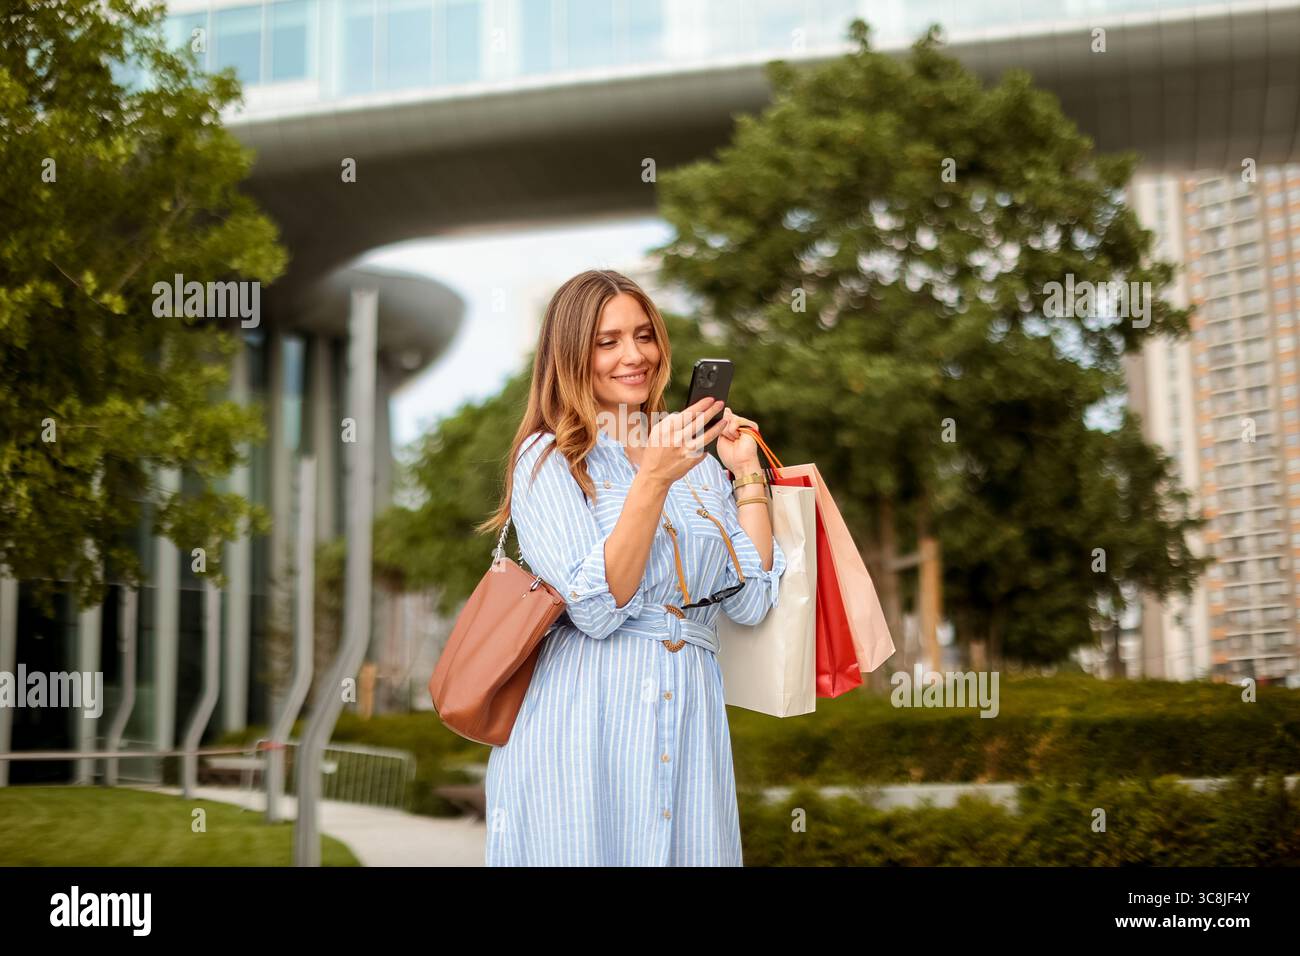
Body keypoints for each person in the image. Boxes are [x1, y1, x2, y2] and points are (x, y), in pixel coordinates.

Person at [476, 269, 786, 866]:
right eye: (607, 341)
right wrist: (651, 479)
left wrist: (745, 473)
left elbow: (749, 601)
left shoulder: (693, 461)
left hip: (691, 715)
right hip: (584, 719)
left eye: (644, 335)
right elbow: (594, 608)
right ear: (571, 355)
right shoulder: (551, 457)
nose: (634, 355)